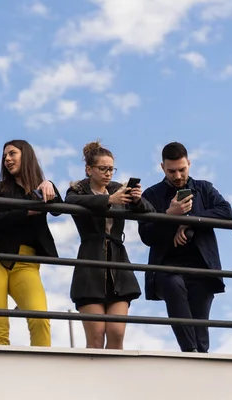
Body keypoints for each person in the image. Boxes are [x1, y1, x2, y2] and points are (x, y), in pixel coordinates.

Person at [138, 141, 232, 353]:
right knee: (173, 284)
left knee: (201, 330)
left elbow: (226, 212)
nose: (178, 175)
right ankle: (190, 353)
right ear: (162, 168)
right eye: (172, 171)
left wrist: (189, 220)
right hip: (166, 269)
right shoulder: (151, 195)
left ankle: (200, 356)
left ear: (189, 164)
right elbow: (146, 234)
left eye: (182, 169)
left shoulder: (204, 188)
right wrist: (170, 216)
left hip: (201, 268)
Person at [65, 141, 155, 349]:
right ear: (89, 169)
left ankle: (114, 379)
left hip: (119, 266)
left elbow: (150, 210)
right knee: (96, 335)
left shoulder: (119, 189)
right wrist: (108, 200)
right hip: (90, 265)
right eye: (103, 168)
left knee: (116, 332)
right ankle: (92, 380)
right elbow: (71, 203)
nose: (108, 173)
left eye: (111, 169)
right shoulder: (77, 191)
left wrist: (137, 199)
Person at [0, 139, 62, 347]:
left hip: (26, 263)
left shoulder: (41, 189)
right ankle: (0, 377)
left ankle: (42, 373)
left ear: (26, 156)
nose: (7, 159)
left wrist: (49, 185)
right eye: (5, 155)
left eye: (12, 153)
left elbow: (58, 209)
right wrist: (26, 211)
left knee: (40, 319)